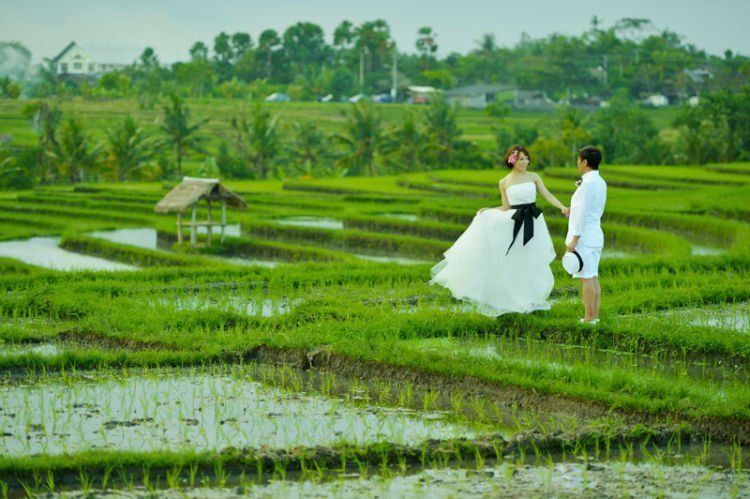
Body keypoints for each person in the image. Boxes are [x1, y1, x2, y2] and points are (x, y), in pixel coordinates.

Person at [430, 145, 570, 317]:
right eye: (521, 159)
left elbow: (547, 194)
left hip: (533, 222)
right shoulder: (504, 182)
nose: (525, 162)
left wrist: (562, 207)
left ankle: (530, 299)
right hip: (514, 222)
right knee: (513, 261)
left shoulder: (534, 177)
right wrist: (489, 210)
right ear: (512, 160)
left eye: (527, 159)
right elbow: (506, 206)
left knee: (530, 260)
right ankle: (513, 301)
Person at [565, 146, 607, 325]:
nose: (577, 164)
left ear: (585, 162)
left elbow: (582, 213)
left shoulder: (587, 184)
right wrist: (572, 212)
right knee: (592, 276)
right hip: (595, 233)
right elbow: (589, 210)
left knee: (586, 278)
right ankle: (594, 316)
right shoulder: (600, 181)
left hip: (585, 237)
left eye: (578, 160)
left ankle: (589, 317)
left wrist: (574, 238)